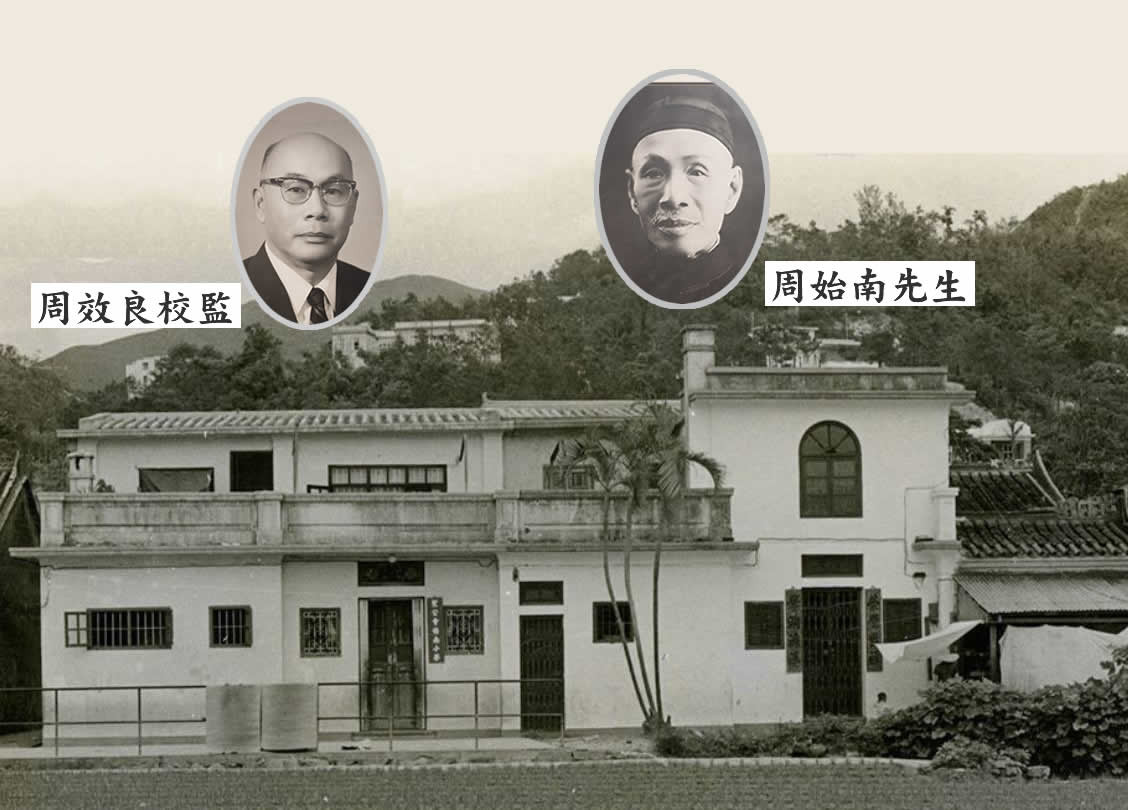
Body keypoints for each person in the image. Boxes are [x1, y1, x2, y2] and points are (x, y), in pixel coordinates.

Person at [621, 94, 745, 304]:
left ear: (732, 189)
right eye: (653, 173)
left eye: (697, 172)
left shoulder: (751, 283)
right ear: (632, 192)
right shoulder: (624, 287)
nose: (673, 198)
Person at [243, 132, 369, 325]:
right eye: (296, 189)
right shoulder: (226, 293)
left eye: (333, 191)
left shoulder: (370, 289)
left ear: (353, 207)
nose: (317, 210)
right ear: (261, 204)